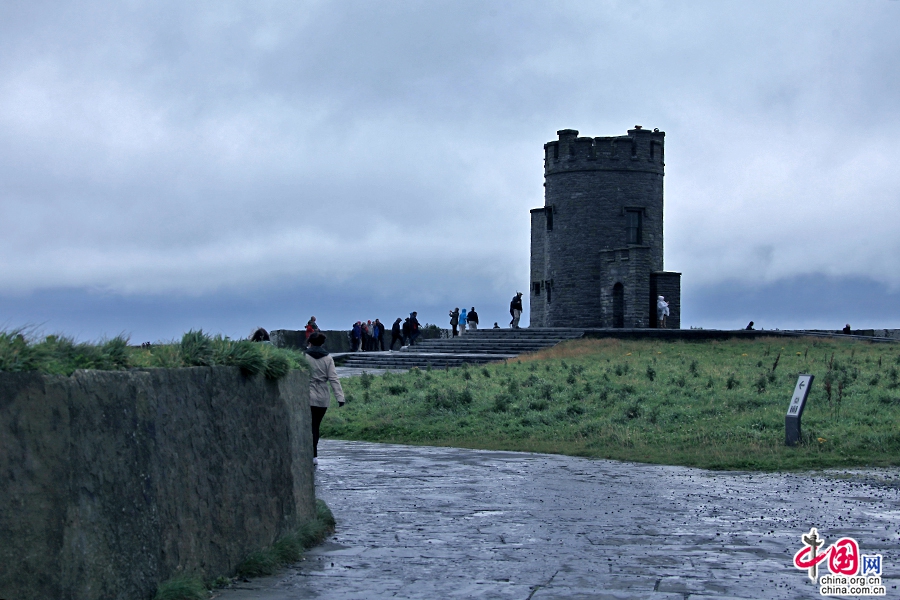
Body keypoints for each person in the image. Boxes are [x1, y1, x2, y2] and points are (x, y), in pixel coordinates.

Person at [304, 333, 345, 465]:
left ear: (310, 342)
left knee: (310, 425)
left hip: (308, 394)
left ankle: (312, 453)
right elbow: (333, 378)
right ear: (322, 343)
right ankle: (314, 455)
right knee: (316, 425)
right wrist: (340, 397)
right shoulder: (328, 358)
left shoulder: (304, 356)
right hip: (322, 396)